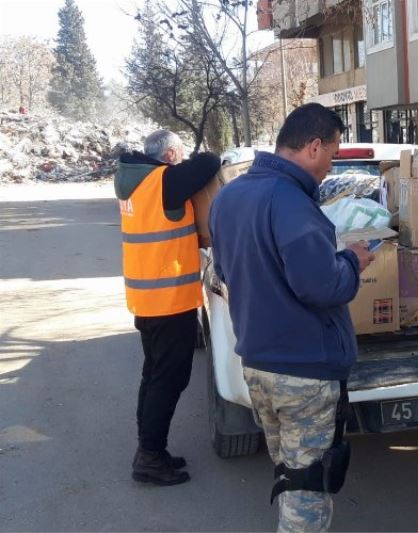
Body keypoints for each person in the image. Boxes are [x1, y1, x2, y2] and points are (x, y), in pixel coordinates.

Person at [209, 103, 374, 532]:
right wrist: (353, 261)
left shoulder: (229, 196)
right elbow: (323, 287)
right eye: (333, 155)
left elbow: (224, 272)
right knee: (307, 488)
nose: (330, 167)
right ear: (314, 146)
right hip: (305, 373)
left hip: (259, 367)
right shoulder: (292, 205)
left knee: (288, 472)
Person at [115, 130, 220, 486]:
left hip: (147, 299)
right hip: (168, 300)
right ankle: (149, 457)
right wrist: (185, 160)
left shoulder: (134, 181)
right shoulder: (164, 181)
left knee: (154, 376)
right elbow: (209, 162)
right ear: (172, 154)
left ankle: (150, 449)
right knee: (169, 379)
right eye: (178, 153)